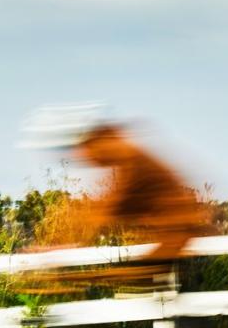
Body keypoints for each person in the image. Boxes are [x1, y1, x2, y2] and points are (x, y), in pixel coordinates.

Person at [19, 104, 210, 290]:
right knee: (131, 280)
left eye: (80, 148)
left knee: (137, 281)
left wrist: (60, 247)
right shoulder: (126, 152)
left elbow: (106, 209)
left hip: (176, 235)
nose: (79, 155)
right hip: (174, 233)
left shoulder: (127, 157)